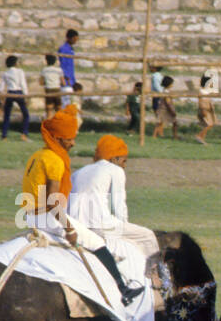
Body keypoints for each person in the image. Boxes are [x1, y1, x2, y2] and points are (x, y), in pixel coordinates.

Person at [21, 105, 144, 304]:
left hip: (29, 215)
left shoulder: (38, 155)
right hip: (48, 217)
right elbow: (53, 201)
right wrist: (69, 229)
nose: (73, 143)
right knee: (98, 243)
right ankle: (123, 289)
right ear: (59, 139)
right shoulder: (55, 161)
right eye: (70, 139)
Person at [67, 134, 159, 270]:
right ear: (114, 158)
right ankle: (155, 275)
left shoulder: (78, 172)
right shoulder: (115, 170)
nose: (124, 166)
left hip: (75, 225)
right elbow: (118, 207)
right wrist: (124, 230)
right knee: (148, 236)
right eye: (124, 161)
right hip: (99, 225)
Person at [0, 53, 29, 139]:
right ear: (15, 63)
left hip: (10, 93)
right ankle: (24, 133)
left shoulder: (6, 73)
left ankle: (4, 135)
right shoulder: (20, 71)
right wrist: (26, 95)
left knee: (7, 115)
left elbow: (1, 86)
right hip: (18, 92)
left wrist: (0, 94)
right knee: (25, 114)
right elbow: (23, 84)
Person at [152, 73, 177, 138]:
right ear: (169, 84)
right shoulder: (166, 92)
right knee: (161, 123)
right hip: (164, 110)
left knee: (159, 123)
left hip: (163, 109)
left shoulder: (165, 91)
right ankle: (175, 135)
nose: (172, 85)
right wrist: (172, 111)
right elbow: (168, 102)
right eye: (172, 83)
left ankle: (155, 135)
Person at [57, 27, 77, 105]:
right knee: (66, 101)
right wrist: (66, 77)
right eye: (74, 39)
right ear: (69, 38)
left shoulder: (71, 49)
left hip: (71, 78)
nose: (75, 41)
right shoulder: (63, 49)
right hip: (66, 79)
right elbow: (63, 64)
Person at [195, 72, 215, 144]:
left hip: (208, 109)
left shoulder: (206, 91)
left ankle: (202, 138)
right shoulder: (202, 92)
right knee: (209, 124)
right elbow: (201, 102)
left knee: (209, 124)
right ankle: (199, 135)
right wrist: (203, 110)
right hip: (204, 109)